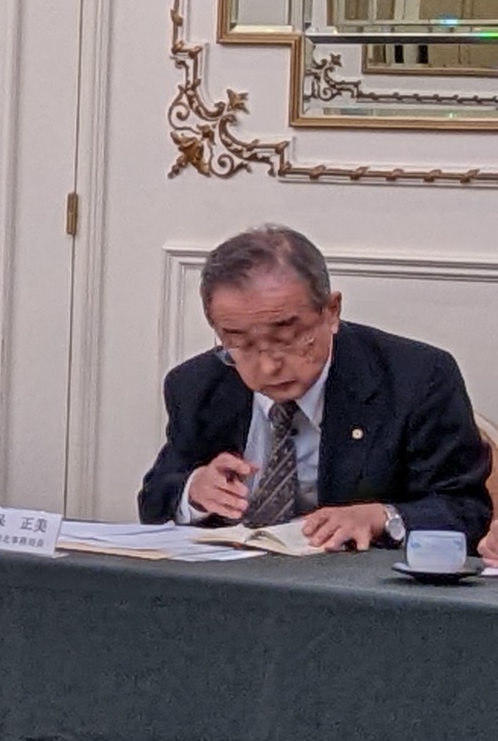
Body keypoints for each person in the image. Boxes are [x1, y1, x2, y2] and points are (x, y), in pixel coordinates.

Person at [138, 223, 492, 548]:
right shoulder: (197, 385)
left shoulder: (416, 378)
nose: (268, 366)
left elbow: (465, 509)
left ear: (331, 311)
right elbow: (155, 499)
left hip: (355, 586)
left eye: (288, 338)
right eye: (240, 343)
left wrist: (382, 517)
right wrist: (194, 491)